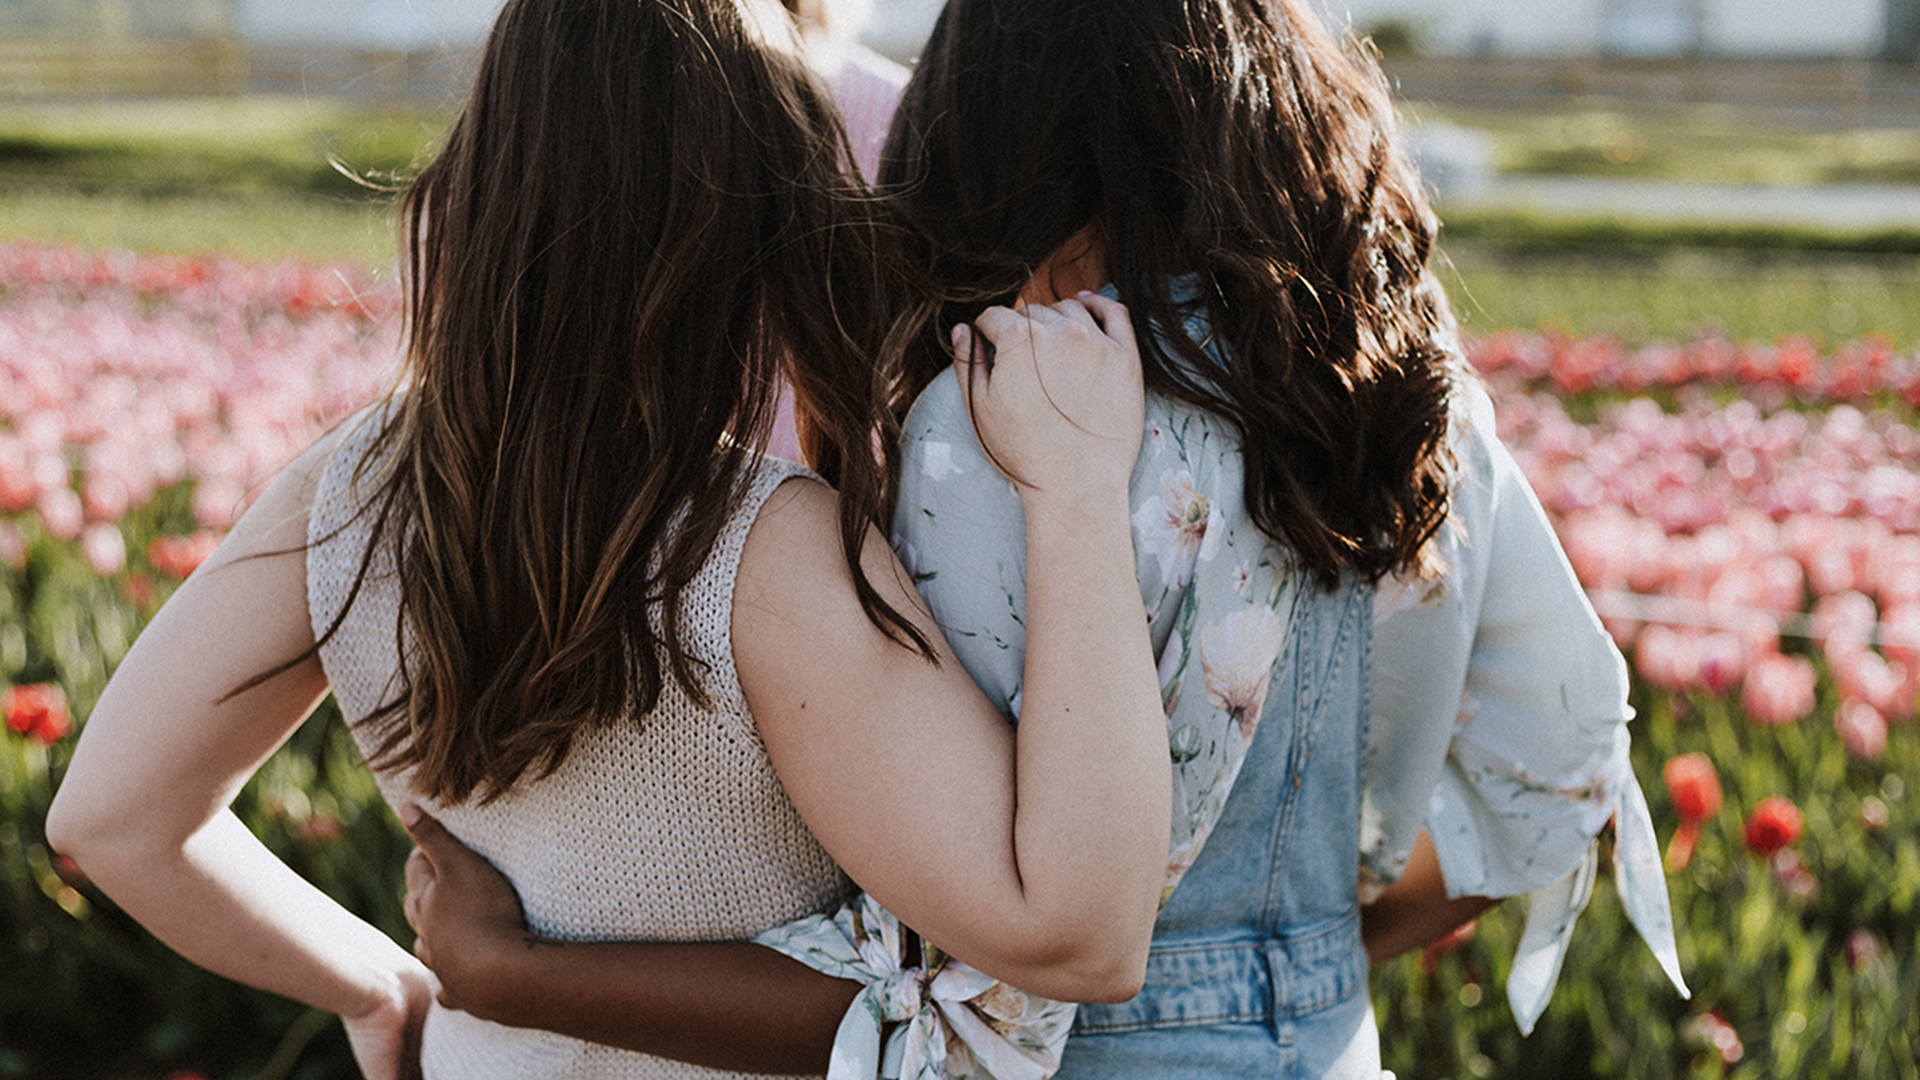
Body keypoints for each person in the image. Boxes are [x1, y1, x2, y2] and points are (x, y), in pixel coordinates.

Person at [402, 1, 1687, 1077]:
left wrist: (524, 974)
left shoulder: (992, 426)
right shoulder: (1411, 397)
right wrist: (1295, 958)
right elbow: (1560, 760)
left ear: (993, 125)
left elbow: (925, 975)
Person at [43, 1, 1179, 1078]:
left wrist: (379, 992)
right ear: (758, 216)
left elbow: (112, 818)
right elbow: (1079, 938)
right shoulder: (758, 548)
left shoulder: (350, 489)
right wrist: (1076, 494)